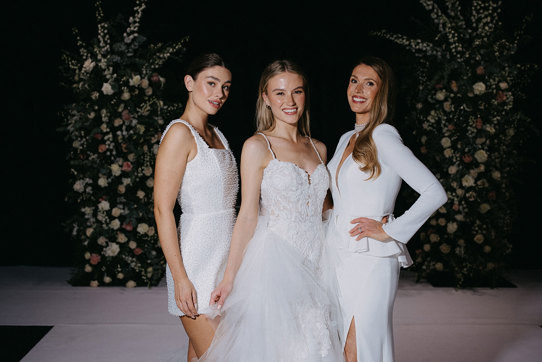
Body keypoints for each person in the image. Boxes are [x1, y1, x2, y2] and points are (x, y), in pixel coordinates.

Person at [199, 60, 344, 361]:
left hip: (319, 263)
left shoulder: (319, 147)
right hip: (276, 266)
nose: (289, 101)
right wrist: (229, 279)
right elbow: (248, 214)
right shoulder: (257, 146)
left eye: (297, 92)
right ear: (265, 98)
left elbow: (326, 210)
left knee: (318, 344)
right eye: (279, 93)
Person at [326, 56, 447, 362]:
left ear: (382, 92)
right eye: (354, 80)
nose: (359, 89)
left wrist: (389, 230)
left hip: (372, 260)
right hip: (340, 255)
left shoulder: (383, 135)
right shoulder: (345, 138)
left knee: (361, 346)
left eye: (370, 83)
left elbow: (435, 192)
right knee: (345, 348)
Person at [153, 53, 238, 360]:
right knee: (226, 355)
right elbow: (162, 210)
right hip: (196, 265)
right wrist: (180, 278)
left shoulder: (219, 136)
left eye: (226, 87)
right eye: (211, 83)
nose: (219, 94)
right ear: (189, 83)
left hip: (224, 265)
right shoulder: (179, 134)